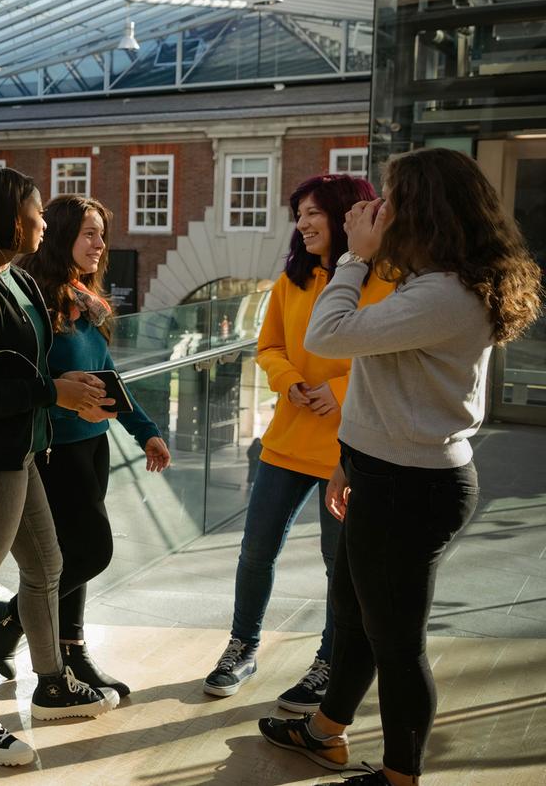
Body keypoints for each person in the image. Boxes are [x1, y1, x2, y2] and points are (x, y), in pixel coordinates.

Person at [258, 148, 542, 786]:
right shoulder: (430, 280)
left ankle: (398, 777)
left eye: (388, 198)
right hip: (383, 471)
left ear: (420, 208)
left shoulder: (442, 293)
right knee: (355, 614)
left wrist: (355, 255)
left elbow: (326, 338)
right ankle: (324, 732)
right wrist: (349, 463)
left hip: (411, 487)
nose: (376, 210)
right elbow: (382, 385)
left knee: (397, 644)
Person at [0, 167, 117, 767]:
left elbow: (33, 365)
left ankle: (53, 682)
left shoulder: (16, 281)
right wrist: (51, 393)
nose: (42, 223)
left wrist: (64, 387)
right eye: (35, 214)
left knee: (48, 566)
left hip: (22, 450)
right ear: (10, 221)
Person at [203, 174, 394, 710]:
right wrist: (289, 381)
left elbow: (392, 357)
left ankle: (330, 663)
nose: (303, 223)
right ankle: (242, 647)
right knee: (256, 550)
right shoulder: (293, 279)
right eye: (299, 215)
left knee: (340, 566)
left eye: (313, 213)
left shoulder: (388, 281)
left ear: (346, 214)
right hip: (286, 439)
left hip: (349, 448)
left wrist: (340, 390)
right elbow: (268, 346)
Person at [0, 195, 171, 697]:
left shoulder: (85, 301)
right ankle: (12, 620)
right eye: (89, 232)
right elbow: (31, 384)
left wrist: (145, 429)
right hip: (54, 449)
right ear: (63, 234)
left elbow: (108, 376)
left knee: (69, 556)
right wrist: (64, 401)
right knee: (92, 551)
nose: (100, 243)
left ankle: (71, 649)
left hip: (93, 443)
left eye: (101, 233)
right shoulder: (34, 302)